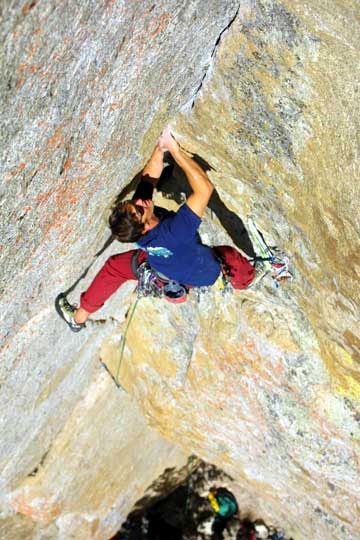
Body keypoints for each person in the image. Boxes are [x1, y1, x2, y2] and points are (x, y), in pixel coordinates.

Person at [56, 128, 255, 332]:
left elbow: (148, 181)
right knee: (228, 255)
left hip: (165, 270)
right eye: (140, 209)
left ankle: (78, 318)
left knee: (115, 267)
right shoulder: (175, 232)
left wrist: (160, 148)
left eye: (134, 204)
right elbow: (204, 189)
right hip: (206, 272)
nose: (141, 201)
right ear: (144, 226)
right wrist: (175, 151)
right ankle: (248, 280)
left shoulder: (139, 224)